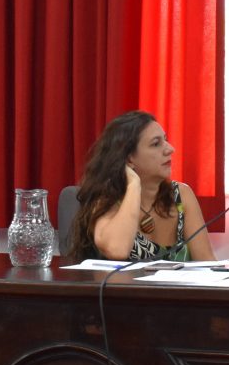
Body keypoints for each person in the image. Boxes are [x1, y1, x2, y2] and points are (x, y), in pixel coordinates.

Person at [65, 110, 217, 262]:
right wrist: (133, 185)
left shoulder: (181, 195)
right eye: (156, 144)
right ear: (129, 159)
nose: (170, 149)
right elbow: (117, 250)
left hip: (177, 286)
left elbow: (206, 262)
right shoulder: (107, 199)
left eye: (165, 140)